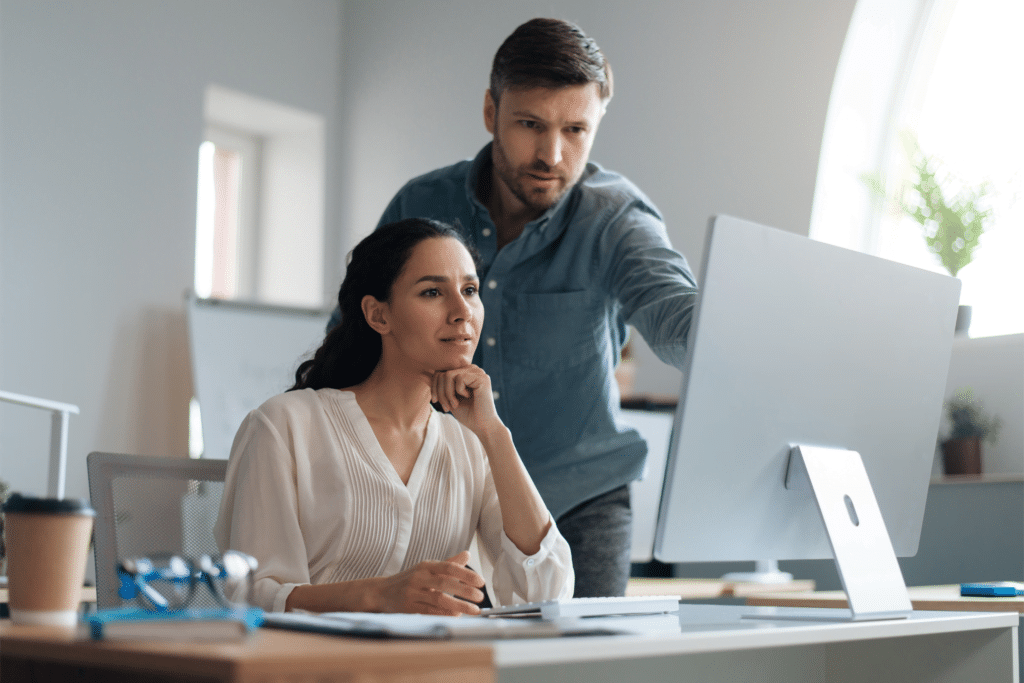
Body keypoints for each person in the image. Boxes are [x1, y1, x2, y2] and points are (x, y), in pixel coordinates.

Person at [328, 18, 697, 597]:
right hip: (441, 496)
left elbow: (674, 315)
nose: (552, 154)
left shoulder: (617, 219)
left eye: (576, 129)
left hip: (577, 501)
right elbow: (352, 341)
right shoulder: (422, 204)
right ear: (489, 111)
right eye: (530, 124)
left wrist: (733, 330)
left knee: (576, 670)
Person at [216, 218, 574, 614]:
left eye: (470, 290)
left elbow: (547, 594)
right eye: (433, 292)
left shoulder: (472, 446)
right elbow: (250, 596)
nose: (462, 312)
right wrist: (378, 596)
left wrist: (494, 434)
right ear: (378, 315)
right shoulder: (284, 426)